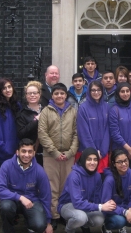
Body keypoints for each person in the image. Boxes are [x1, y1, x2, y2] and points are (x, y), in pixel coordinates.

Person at [38, 83, 79, 230]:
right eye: (56, 94)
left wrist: (70, 152)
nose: (59, 96)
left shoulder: (73, 111)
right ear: (53, 96)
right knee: (52, 186)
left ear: (66, 95)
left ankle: (63, 214)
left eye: (62, 93)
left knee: (66, 186)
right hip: (51, 155)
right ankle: (53, 215)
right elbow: (42, 134)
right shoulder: (46, 112)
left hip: (68, 155)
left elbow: (76, 133)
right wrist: (55, 152)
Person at [0, 138, 53, 233]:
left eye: (30, 151)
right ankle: (8, 229)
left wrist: (48, 222)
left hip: (32, 201)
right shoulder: (7, 166)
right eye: (23, 151)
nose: (26, 155)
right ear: (17, 152)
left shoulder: (39, 170)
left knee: (39, 225)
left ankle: (30, 223)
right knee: (6, 207)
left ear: (34, 153)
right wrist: (20, 197)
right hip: (12, 200)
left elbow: (46, 196)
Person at [58, 148, 116, 233]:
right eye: (89, 159)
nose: (92, 163)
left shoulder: (97, 176)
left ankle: (84, 225)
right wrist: (100, 207)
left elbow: (97, 198)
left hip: (85, 205)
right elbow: (77, 203)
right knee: (80, 217)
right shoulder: (74, 176)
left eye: (95, 160)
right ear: (83, 160)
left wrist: (108, 203)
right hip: (68, 204)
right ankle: (69, 230)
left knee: (99, 218)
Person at [77, 80, 110, 173]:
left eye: (99, 90)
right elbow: (83, 132)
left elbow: (108, 129)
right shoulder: (83, 108)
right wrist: (93, 151)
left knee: (102, 179)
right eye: (93, 90)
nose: (96, 92)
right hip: (87, 152)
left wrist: (103, 150)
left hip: (103, 153)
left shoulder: (106, 107)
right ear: (89, 91)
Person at [101, 149, 131, 233]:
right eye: (120, 162)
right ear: (114, 164)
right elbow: (106, 203)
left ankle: (123, 224)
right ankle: (106, 226)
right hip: (112, 211)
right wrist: (125, 212)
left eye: (125, 160)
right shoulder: (109, 180)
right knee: (120, 221)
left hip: (127, 208)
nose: (124, 164)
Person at [0, 78, 21, 175]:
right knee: (2, 181)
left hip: (16, 152)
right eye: (4, 88)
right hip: (1, 153)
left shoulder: (17, 106)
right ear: (0, 91)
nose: (8, 90)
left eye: (9, 87)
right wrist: (1, 146)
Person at [16, 80, 44, 166]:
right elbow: (21, 133)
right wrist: (36, 120)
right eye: (29, 93)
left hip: (46, 152)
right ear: (26, 96)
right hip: (29, 152)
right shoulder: (22, 113)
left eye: (35, 93)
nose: (32, 95)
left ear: (39, 94)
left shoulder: (46, 110)